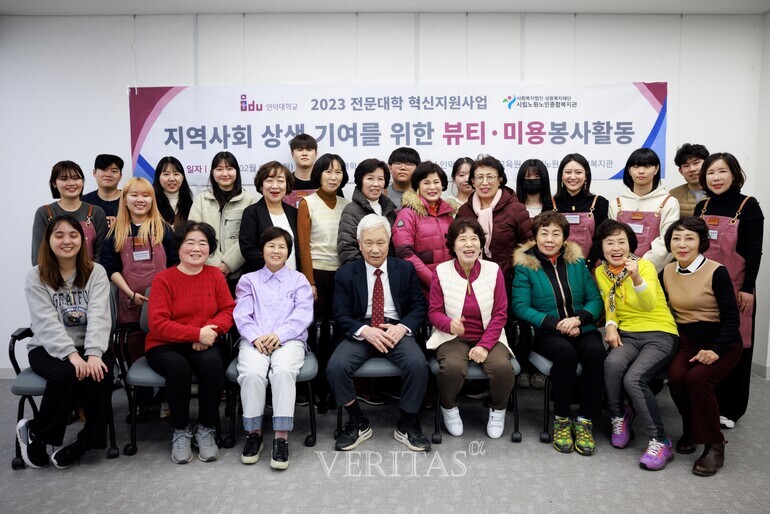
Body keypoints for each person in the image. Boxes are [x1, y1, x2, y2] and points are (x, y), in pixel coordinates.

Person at [327, 214, 430, 452]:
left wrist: (402, 328)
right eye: (369, 243)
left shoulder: (405, 269)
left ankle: (407, 423)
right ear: (359, 244)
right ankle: (357, 421)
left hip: (395, 328)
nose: (375, 249)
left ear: (389, 241)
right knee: (336, 367)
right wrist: (365, 331)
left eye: (380, 242)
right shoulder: (345, 273)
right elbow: (340, 314)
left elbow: (418, 307)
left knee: (418, 365)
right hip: (362, 330)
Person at [18, 215, 114, 469]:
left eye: (73, 235)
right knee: (65, 373)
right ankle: (38, 434)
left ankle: (88, 441)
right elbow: (45, 322)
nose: (67, 241)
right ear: (48, 241)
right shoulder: (36, 275)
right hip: (46, 346)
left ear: (82, 240)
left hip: (90, 344)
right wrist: (71, 355)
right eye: (59, 235)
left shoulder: (96, 271)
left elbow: (99, 316)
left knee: (100, 374)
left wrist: (93, 354)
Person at [512, 212, 605, 456]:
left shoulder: (577, 262)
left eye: (556, 234)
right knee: (565, 353)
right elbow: (520, 307)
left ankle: (585, 421)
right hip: (546, 331)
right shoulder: (524, 266)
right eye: (544, 233)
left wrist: (578, 319)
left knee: (595, 352)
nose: (550, 239)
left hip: (581, 326)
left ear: (564, 237)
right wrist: (557, 324)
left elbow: (595, 300)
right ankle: (562, 419)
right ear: (535, 236)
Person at [145, 221, 235, 464]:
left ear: (210, 248)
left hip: (204, 340)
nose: (196, 248)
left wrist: (210, 332)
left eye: (202, 243)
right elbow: (158, 324)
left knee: (213, 365)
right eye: (190, 243)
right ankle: (181, 429)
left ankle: (206, 428)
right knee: (178, 368)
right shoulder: (163, 279)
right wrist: (196, 334)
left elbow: (228, 310)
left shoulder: (215, 275)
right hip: (164, 344)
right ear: (179, 246)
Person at [594, 219, 678, 470]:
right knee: (611, 365)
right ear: (601, 247)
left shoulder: (644, 266)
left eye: (622, 242)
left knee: (634, 378)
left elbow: (649, 304)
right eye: (610, 242)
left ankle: (660, 441)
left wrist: (637, 279)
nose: (616, 248)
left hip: (659, 332)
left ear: (631, 245)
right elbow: (610, 303)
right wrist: (611, 325)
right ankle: (619, 416)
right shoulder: (601, 272)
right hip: (628, 334)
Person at [660, 217, 741, 476]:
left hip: (721, 341)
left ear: (701, 242)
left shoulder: (717, 271)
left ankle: (714, 444)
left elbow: (732, 318)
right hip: (687, 341)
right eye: (676, 238)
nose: (682, 244)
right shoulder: (667, 272)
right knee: (675, 377)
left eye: (689, 238)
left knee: (697, 380)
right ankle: (692, 429)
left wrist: (716, 350)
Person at [234, 227, 314, 469]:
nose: (276, 251)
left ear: (288, 252)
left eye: (282, 247)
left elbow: (303, 315)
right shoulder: (248, 280)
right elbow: (242, 314)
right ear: (262, 250)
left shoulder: (299, 280)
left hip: (289, 340)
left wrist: (279, 335)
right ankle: (254, 434)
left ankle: (281, 437)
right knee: (252, 373)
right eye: (271, 246)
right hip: (255, 339)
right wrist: (256, 336)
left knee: (283, 371)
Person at [694, 152, 764, 426]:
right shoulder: (702, 207)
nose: (716, 178)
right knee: (707, 341)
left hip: (737, 287)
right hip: (704, 286)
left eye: (722, 171)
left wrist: (748, 289)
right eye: (711, 173)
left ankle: (732, 409)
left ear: (734, 174)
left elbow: (754, 251)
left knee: (737, 345)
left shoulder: (748, 206)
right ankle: (707, 401)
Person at [428, 218, 514, 438]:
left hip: (490, 335)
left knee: (503, 369)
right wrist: (449, 324)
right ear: (453, 245)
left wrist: (485, 345)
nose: (469, 244)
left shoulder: (493, 270)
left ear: (481, 244)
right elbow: (434, 312)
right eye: (462, 239)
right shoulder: (441, 271)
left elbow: (500, 313)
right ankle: (449, 408)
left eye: (474, 239)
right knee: (452, 368)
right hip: (453, 337)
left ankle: (498, 410)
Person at [297, 153, 350, 411]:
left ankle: (334, 386)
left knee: (339, 332)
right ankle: (314, 387)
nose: (333, 177)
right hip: (317, 274)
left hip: (342, 275)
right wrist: (309, 281)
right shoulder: (307, 203)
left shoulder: (347, 204)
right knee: (315, 334)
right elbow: (303, 245)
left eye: (338, 172)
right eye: (328, 171)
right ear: (318, 174)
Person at [457, 155, 532, 297]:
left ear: (500, 180)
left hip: (507, 282)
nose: (485, 182)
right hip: (471, 282)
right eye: (479, 177)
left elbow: (529, 247)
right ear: (473, 181)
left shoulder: (515, 209)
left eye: (490, 177)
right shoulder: (464, 211)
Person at [189, 151, 256, 288]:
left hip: (240, 275)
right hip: (206, 272)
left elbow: (249, 238)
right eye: (219, 169)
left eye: (229, 168)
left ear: (237, 172)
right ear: (212, 173)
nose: (225, 173)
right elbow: (193, 234)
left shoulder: (249, 201)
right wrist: (216, 266)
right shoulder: (201, 200)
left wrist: (228, 265)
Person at [608, 148, 680, 272]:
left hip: (654, 273)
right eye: (636, 167)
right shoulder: (617, 204)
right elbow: (610, 241)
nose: (641, 171)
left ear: (656, 169)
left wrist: (640, 268)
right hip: (620, 271)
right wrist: (623, 269)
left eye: (647, 166)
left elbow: (667, 242)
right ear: (629, 170)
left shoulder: (669, 202)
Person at [392, 161, 456, 296]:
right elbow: (405, 253)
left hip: (450, 286)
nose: (432, 187)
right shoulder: (408, 214)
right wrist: (433, 281)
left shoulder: (449, 215)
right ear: (418, 186)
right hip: (420, 288)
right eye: (426, 183)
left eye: (436, 182)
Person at [31, 160, 108, 265]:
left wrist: (92, 274)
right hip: (53, 274)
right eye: (64, 179)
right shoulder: (44, 213)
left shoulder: (96, 212)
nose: (71, 183)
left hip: (91, 273)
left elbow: (101, 254)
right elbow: (38, 257)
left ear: (82, 182)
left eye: (76, 178)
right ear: (54, 183)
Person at [240, 161, 300, 274]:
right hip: (263, 277)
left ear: (287, 185)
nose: (275, 186)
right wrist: (276, 265)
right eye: (269, 180)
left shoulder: (294, 213)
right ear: (261, 185)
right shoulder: (251, 213)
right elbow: (248, 250)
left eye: (280, 181)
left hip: (292, 277)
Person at [337, 158, 397, 264]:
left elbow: (393, 246)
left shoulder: (389, 210)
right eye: (370, 178)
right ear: (360, 181)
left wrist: (389, 269)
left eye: (380, 179)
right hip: (361, 271)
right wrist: (367, 271)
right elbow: (347, 248)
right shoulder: (351, 211)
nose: (376, 184)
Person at [551, 153, 609, 262]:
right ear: (561, 176)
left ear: (586, 175)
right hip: (557, 266)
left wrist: (587, 265)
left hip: (591, 266)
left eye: (578, 172)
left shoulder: (598, 203)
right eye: (568, 172)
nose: (573, 177)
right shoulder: (550, 204)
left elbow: (602, 239)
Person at [82, 154, 124, 229]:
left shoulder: (130, 200)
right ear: (94, 172)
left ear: (120, 175)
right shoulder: (83, 202)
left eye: (114, 171)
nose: (108, 174)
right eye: (104, 170)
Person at [153, 156, 194, 228]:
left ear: (182, 177)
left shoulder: (191, 206)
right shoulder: (151, 204)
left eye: (176, 174)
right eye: (166, 174)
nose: (172, 179)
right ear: (158, 177)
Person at [669, 144, 709, 218]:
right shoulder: (673, 195)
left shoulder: (719, 192)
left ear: (707, 164)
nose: (692, 169)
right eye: (686, 166)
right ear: (681, 171)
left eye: (696, 163)